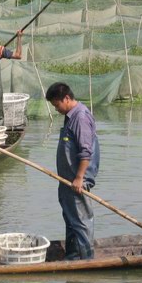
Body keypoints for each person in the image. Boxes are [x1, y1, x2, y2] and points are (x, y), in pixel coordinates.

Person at [45, 82, 100, 260]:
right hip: (67, 180)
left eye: (57, 105)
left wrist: (79, 178)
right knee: (71, 220)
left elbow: (86, 152)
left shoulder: (80, 117)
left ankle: (87, 261)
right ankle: (73, 257)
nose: (56, 109)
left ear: (66, 98)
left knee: (81, 222)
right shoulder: (70, 116)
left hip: (77, 181)